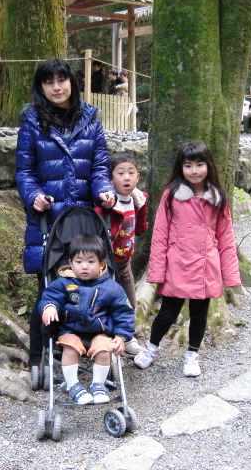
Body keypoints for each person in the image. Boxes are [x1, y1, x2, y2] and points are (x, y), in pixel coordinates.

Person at [15, 58, 116, 370]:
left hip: (84, 221)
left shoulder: (90, 118)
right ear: (41, 87)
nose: (56, 87)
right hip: (48, 219)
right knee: (48, 291)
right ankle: (39, 357)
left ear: (72, 82)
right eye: (49, 82)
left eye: (61, 80)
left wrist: (104, 189)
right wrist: (33, 195)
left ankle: (90, 348)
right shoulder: (32, 120)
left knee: (93, 286)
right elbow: (24, 170)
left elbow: (100, 165)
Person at [133, 141, 241, 377]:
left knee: (199, 314)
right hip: (178, 265)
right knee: (167, 313)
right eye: (188, 165)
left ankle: (192, 355)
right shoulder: (171, 196)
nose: (194, 170)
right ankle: (151, 349)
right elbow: (160, 235)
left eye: (200, 164)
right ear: (180, 167)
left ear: (208, 165)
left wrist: (231, 276)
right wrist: (156, 272)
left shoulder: (217, 198)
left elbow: (226, 238)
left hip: (205, 266)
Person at [38, 235, 134, 405]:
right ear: (71, 262)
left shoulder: (111, 288)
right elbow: (50, 297)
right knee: (70, 347)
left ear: (101, 264)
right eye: (79, 261)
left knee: (104, 349)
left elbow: (123, 313)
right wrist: (49, 307)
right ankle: (73, 385)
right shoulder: (64, 283)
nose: (84, 266)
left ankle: (98, 385)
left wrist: (121, 336)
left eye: (91, 261)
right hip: (70, 329)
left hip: (100, 332)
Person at [95, 152, 148, 356]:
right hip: (106, 263)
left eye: (131, 173)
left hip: (125, 261)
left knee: (129, 300)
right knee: (108, 300)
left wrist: (142, 208)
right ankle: (107, 337)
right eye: (121, 173)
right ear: (111, 178)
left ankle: (128, 336)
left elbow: (140, 228)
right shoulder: (108, 202)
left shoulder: (137, 199)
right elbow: (97, 221)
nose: (126, 177)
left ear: (138, 177)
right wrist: (105, 206)